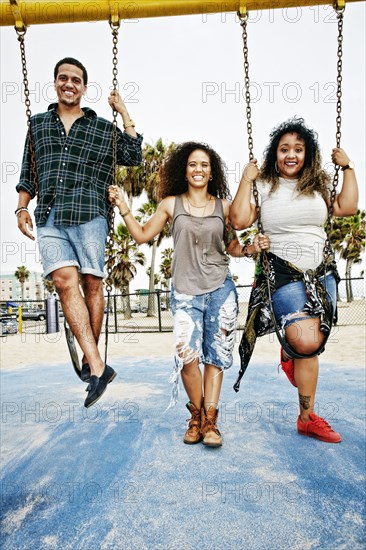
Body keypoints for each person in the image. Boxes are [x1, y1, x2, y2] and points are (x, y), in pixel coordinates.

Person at [108, 141, 270, 447]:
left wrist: (251, 248)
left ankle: (209, 422)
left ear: (212, 173)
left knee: (217, 356)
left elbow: (232, 247)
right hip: (185, 293)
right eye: (193, 164)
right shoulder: (171, 205)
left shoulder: (223, 206)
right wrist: (124, 207)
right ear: (185, 170)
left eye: (204, 165)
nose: (198, 169)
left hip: (221, 289)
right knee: (187, 357)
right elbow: (142, 235)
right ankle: (196, 415)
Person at [15, 57, 143, 408]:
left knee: (92, 283)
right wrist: (22, 206)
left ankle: (92, 361)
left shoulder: (101, 128)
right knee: (63, 281)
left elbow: (134, 154)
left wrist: (123, 110)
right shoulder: (38, 124)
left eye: (76, 80)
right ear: (56, 83)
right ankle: (99, 366)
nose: (69, 84)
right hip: (50, 215)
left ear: (84, 88)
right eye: (63, 78)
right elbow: (29, 172)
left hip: (90, 213)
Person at [230, 117, 358, 443]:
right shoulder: (264, 187)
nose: (291, 155)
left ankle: (306, 418)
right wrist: (246, 180)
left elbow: (348, 207)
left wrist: (348, 168)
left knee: (312, 343)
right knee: (305, 341)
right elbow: (239, 218)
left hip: (321, 271)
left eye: (298, 149)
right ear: (275, 153)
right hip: (282, 271)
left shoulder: (318, 185)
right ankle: (292, 354)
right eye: (284, 149)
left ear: (307, 153)